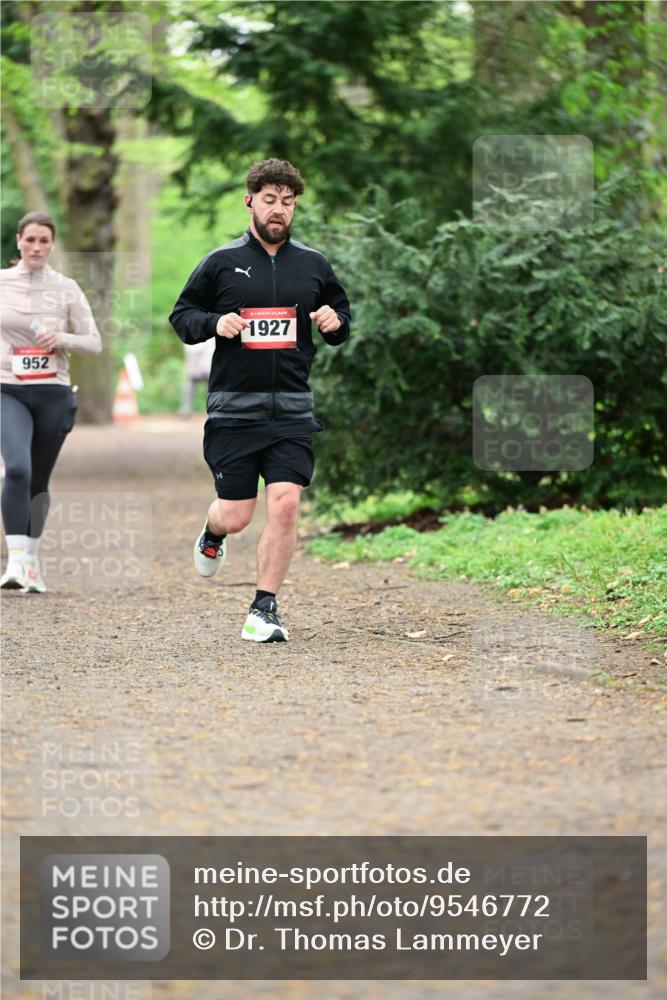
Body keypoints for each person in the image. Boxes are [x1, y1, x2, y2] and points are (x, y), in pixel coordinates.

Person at [169, 158, 351, 642]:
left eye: (288, 202)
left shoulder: (312, 265)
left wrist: (336, 323)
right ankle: (213, 531)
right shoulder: (221, 262)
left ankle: (263, 608)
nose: (279, 210)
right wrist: (214, 323)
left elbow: (339, 316)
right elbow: (183, 315)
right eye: (270, 200)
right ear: (250, 201)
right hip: (234, 410)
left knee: (287, 503)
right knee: (238, 514)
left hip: (292, 409)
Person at [1, 211, 102, 593]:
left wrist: (64, 339)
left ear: (53, 245)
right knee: (18, 470)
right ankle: (15, 563)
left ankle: (31, 564)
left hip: (52, 392)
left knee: (39, 480)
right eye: (30, 240)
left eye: (44, 241)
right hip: (7, 389)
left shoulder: (66, 288)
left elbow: (93, 342)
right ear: (18, 241)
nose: (36, 247)